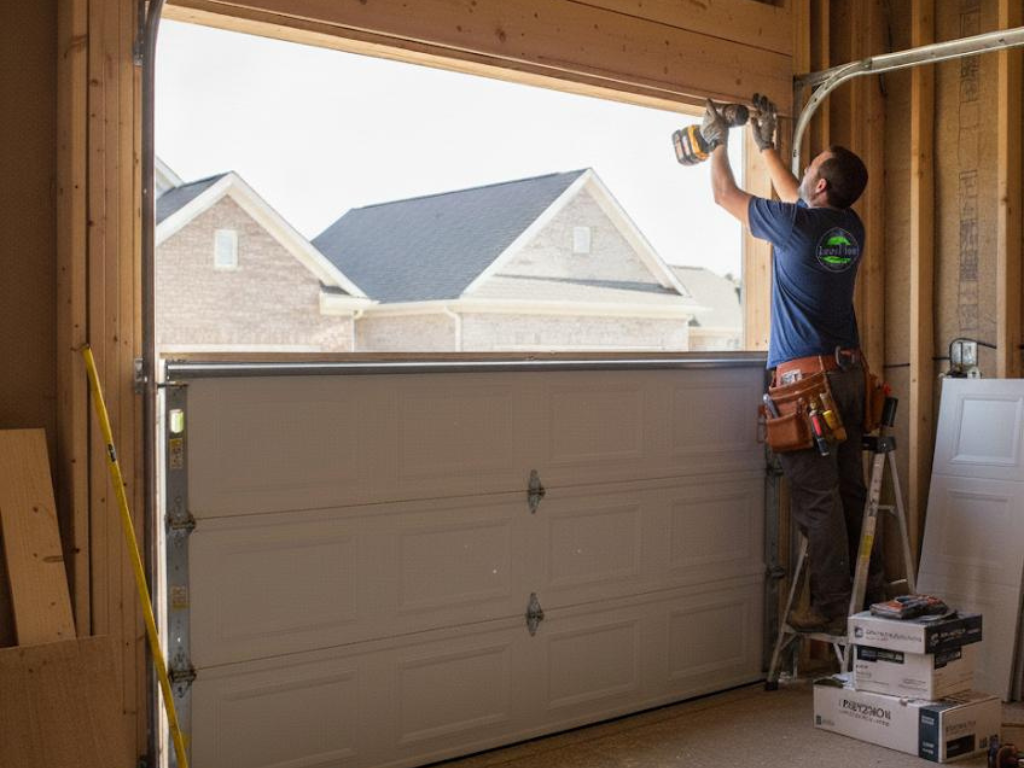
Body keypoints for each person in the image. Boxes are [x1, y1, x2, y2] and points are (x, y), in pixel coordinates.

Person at [702, 95, 884, 634]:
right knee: (849, 491)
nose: (803, 175)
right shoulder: (849, 228)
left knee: (817, 497)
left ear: (822, 186)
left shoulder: (798, 227)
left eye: (811, 169)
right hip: (850, 378)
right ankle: (869, 598)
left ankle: (831, 606)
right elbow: (797, 197)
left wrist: (717, 143)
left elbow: (723, 195)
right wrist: (767, 146)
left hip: (808, 389)